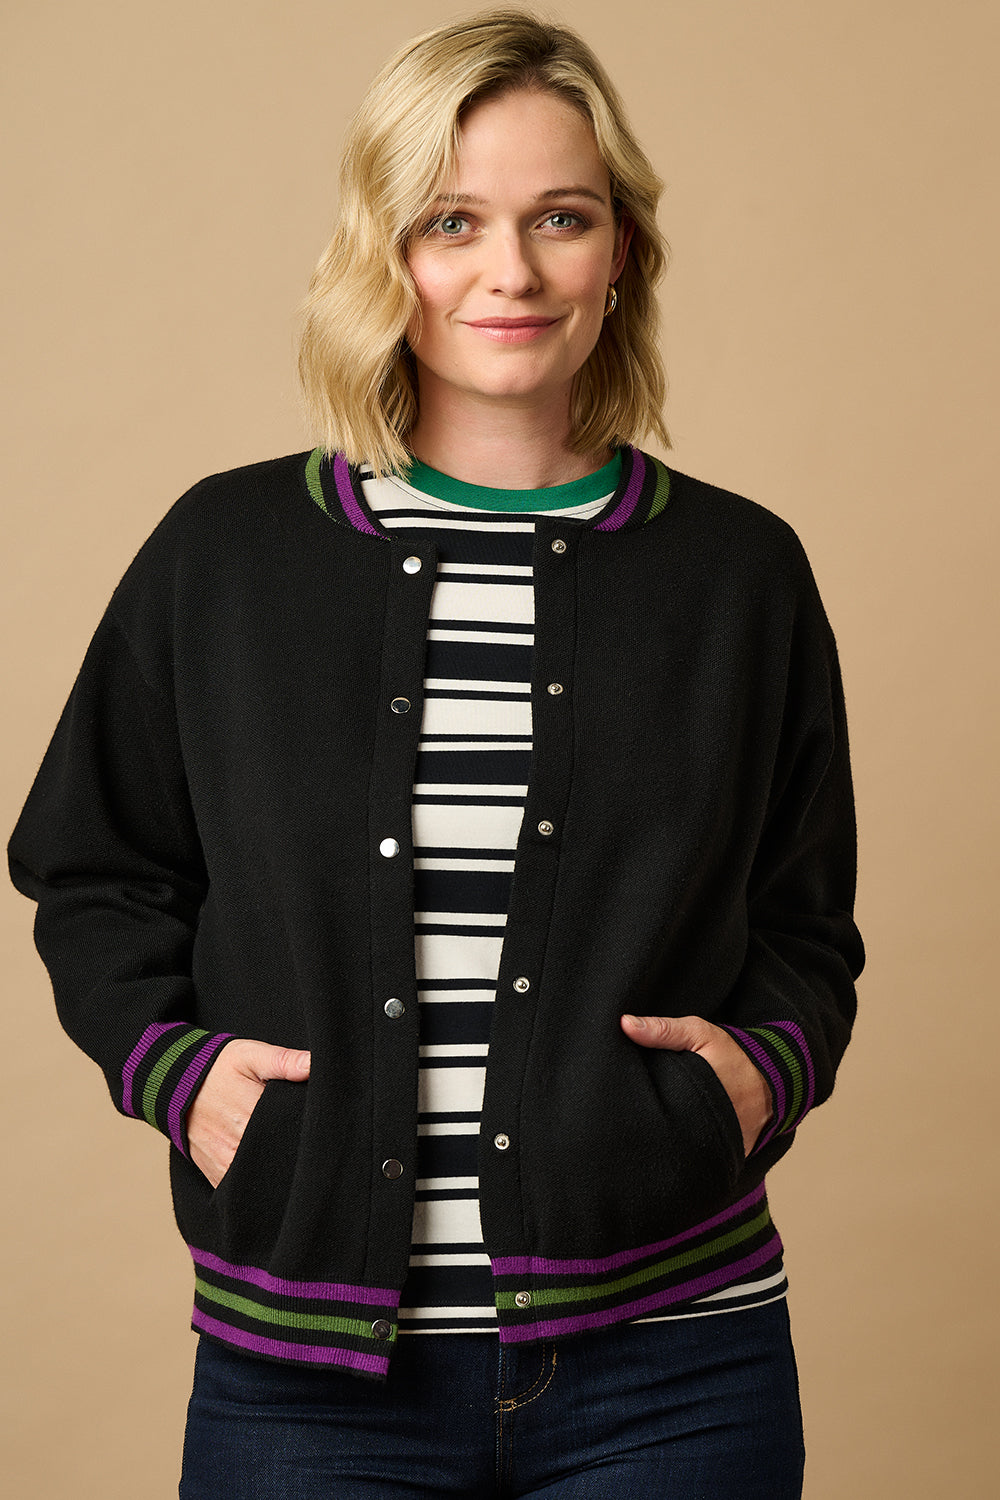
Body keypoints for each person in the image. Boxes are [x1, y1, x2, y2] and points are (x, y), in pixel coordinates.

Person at [8, 9, 863, 1497]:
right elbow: (92, 869)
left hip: (675, 1362)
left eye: (561, 219)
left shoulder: (737, 574)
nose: (510, 272)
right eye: (452, 221)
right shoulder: (227, 555)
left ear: (621, 252)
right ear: (384, 250)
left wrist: (762, 1077)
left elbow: (804, 923)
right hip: (307, 1380)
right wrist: (176, 1072)